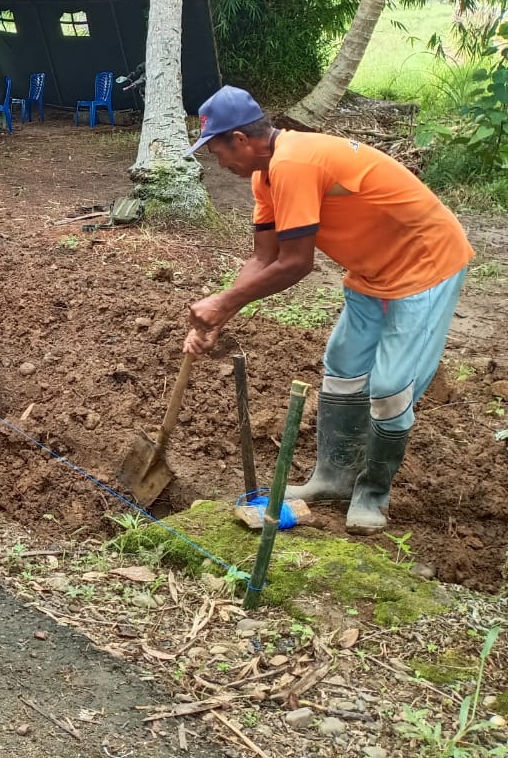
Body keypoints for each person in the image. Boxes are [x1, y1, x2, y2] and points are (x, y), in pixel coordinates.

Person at [184, 85, 474, 533]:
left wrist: (223, 302)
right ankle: (334, 478)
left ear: (241, 140)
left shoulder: (296, 162)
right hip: (371, 272)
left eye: (217, 151)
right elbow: (264, 257)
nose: (219, 163)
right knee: (343, 366)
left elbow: (296, 264)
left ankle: (372, 493)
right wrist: (218, 314)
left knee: (391, 387)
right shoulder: (265, 176)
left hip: (425, 267)